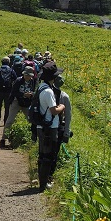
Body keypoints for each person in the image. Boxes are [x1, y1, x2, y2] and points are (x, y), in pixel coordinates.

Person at [33, 61, 65, 191]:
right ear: (52, 77)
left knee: (42, 154)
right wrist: (62, 107)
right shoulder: (48, 91)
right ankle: (43, 184)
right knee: (48, 156)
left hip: (42, 126)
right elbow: (53, 111)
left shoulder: (41, 87)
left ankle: (42, 181)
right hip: (49, 127)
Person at [0, 65, 36, 148]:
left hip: (26, 103)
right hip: (17, 101)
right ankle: (3, 139)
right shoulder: (18, 80)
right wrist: (23, 94)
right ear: (23, 74)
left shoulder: (33, 81)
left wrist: (31, 94)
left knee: (30, 120)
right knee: (10, 120)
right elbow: (14, 92)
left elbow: (34, 91)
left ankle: (31, 139)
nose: (28, 77)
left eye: (29, 75)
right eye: (26, 75)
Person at [0, 56, 16, 126]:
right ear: (9, 62)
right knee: (7, 106)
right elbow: (15, 81)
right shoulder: (11, 71)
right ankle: (5, 120)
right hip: (8, 91)